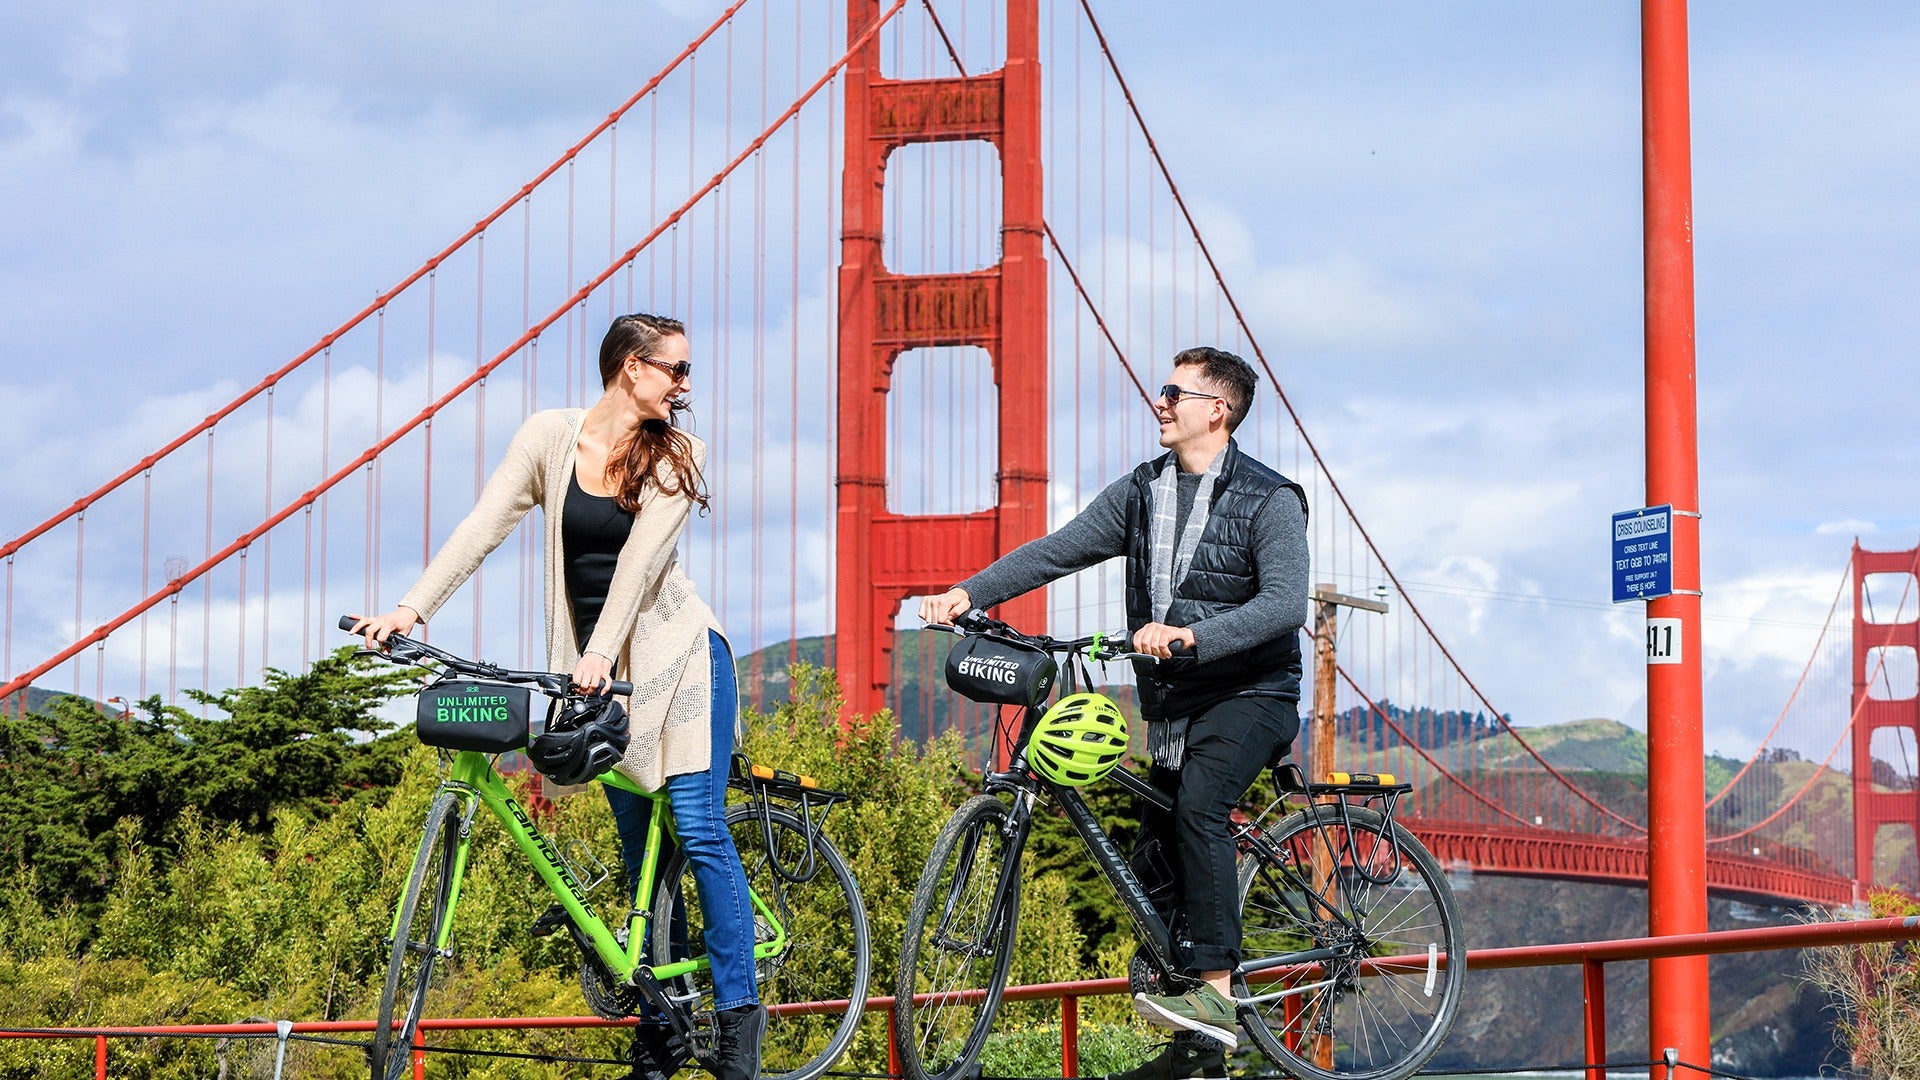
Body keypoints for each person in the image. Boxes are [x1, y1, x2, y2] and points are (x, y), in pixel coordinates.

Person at [352, 313, 762, 1080]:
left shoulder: (679, 456)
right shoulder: (549, 437)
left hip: (678, 663)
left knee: (700, 830)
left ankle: (739, 1018)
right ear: (629, 368)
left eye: (686, 372)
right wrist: (411, 609)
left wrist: (601, 652)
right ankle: (661, 1027)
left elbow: (640, 564)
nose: (685, 385)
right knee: (642, 849)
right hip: (596, 674)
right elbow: (485, 524)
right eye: (674, 369)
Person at [918, 346, 1308, 1080]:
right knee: (1153, 860)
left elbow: (1285, 603)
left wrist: (1193, 635)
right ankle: (1198, 1053)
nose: (1158, 402)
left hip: (1252, 693)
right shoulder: (1142, 491)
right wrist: (971, 593)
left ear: (1216, 411)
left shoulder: (1271, 498)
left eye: (1173, 392)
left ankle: (1217, 1000)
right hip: (1174, 703)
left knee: (1198, 810)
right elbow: (1059, 550)